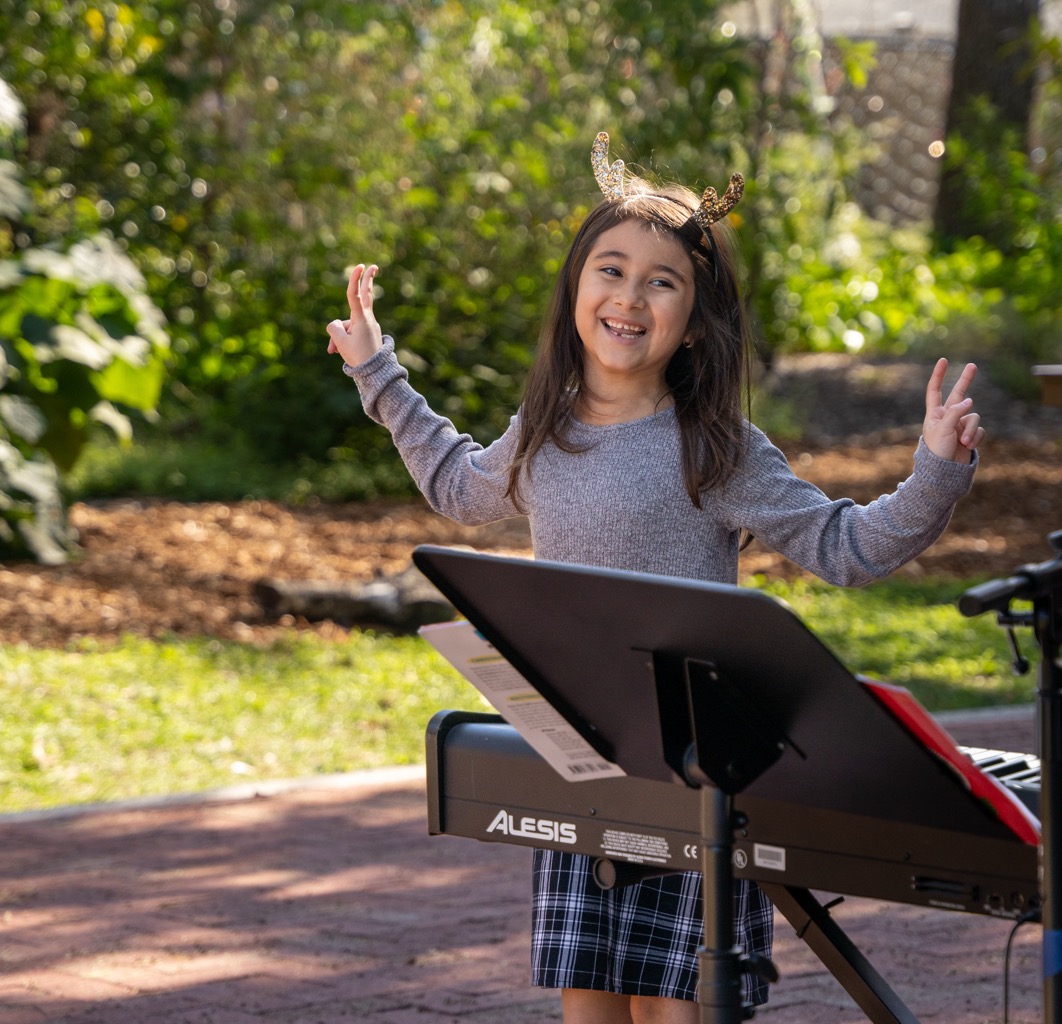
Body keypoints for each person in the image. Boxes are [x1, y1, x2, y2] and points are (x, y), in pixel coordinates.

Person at [326, 131, 983, 1024]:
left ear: (693, 317)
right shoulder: (545, 427)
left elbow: (848, 548)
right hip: (585, 766)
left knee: (680, 1012)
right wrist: (377, 371)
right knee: (591, 1008)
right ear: (574, 290)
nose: (629, 297)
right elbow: (459, 488)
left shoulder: (716, 448)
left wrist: (935, 470)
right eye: (610, 269)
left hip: (698, 778)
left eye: (660, 280)